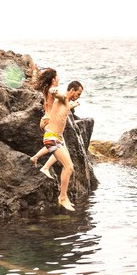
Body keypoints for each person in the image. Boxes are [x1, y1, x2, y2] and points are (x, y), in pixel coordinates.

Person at [42, 80, 84, 211]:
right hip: (51, 138)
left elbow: (65, 107)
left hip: (57, 138)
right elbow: (58, 95)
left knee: (69, 166)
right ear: (71, 90)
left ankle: (63, 196)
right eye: (78, 93)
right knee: (69, 167)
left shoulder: (66, 103)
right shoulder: (63, 97)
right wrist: (53, 91)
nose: (78, 96)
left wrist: (74, 104)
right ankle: (62, 197)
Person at [30, 68, 59, 179]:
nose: (59, 79)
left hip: (44, 119)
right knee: (58, 146)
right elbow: (55, 94)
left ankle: (37, 158)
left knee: (56, 145)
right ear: (53, 79)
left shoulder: (45, 89)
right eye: (57, 77)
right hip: (50, 121)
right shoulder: (52, 89)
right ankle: (43, 165)